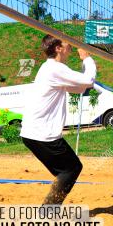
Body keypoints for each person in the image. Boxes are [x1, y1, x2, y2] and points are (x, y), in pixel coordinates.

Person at [20, 36, 97, 205]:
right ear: (58, 48)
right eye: (65, 41)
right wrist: (87, 58)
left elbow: (81, 87)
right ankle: (47, 211)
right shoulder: (54, 69)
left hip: (35, 133)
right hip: (41, 134)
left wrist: (86, 62)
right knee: (71, 169)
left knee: (68, 170)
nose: (70, 43)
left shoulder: (53, 69)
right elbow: (88, 80)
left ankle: (48, 210)